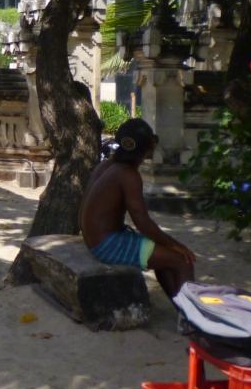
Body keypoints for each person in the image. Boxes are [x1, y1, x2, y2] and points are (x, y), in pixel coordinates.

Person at [79, 118, 196, 297]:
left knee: (164, 255)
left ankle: (181, 306)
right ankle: (191, 312)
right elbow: (142, 222)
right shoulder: (128, 175)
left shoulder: (106, 165)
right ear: (149, 148)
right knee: (182, 261)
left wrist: (167, 244)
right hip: (107, 245)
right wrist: (176, 245)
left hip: (95, 241)